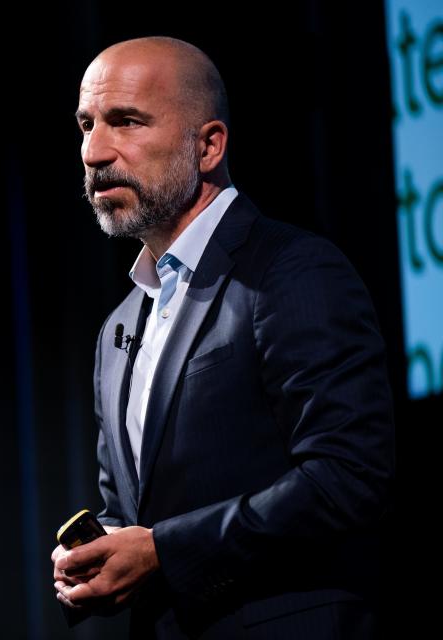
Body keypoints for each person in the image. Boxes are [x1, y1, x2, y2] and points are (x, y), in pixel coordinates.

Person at [50, 36, 395, 639]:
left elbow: (349, 476)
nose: (94, 151)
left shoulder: (289, 271)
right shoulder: (117, 329)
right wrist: (96, 558)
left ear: (208, 145)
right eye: (86, 124)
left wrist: (163, 551)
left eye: (126, 121)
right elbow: (132, 514)